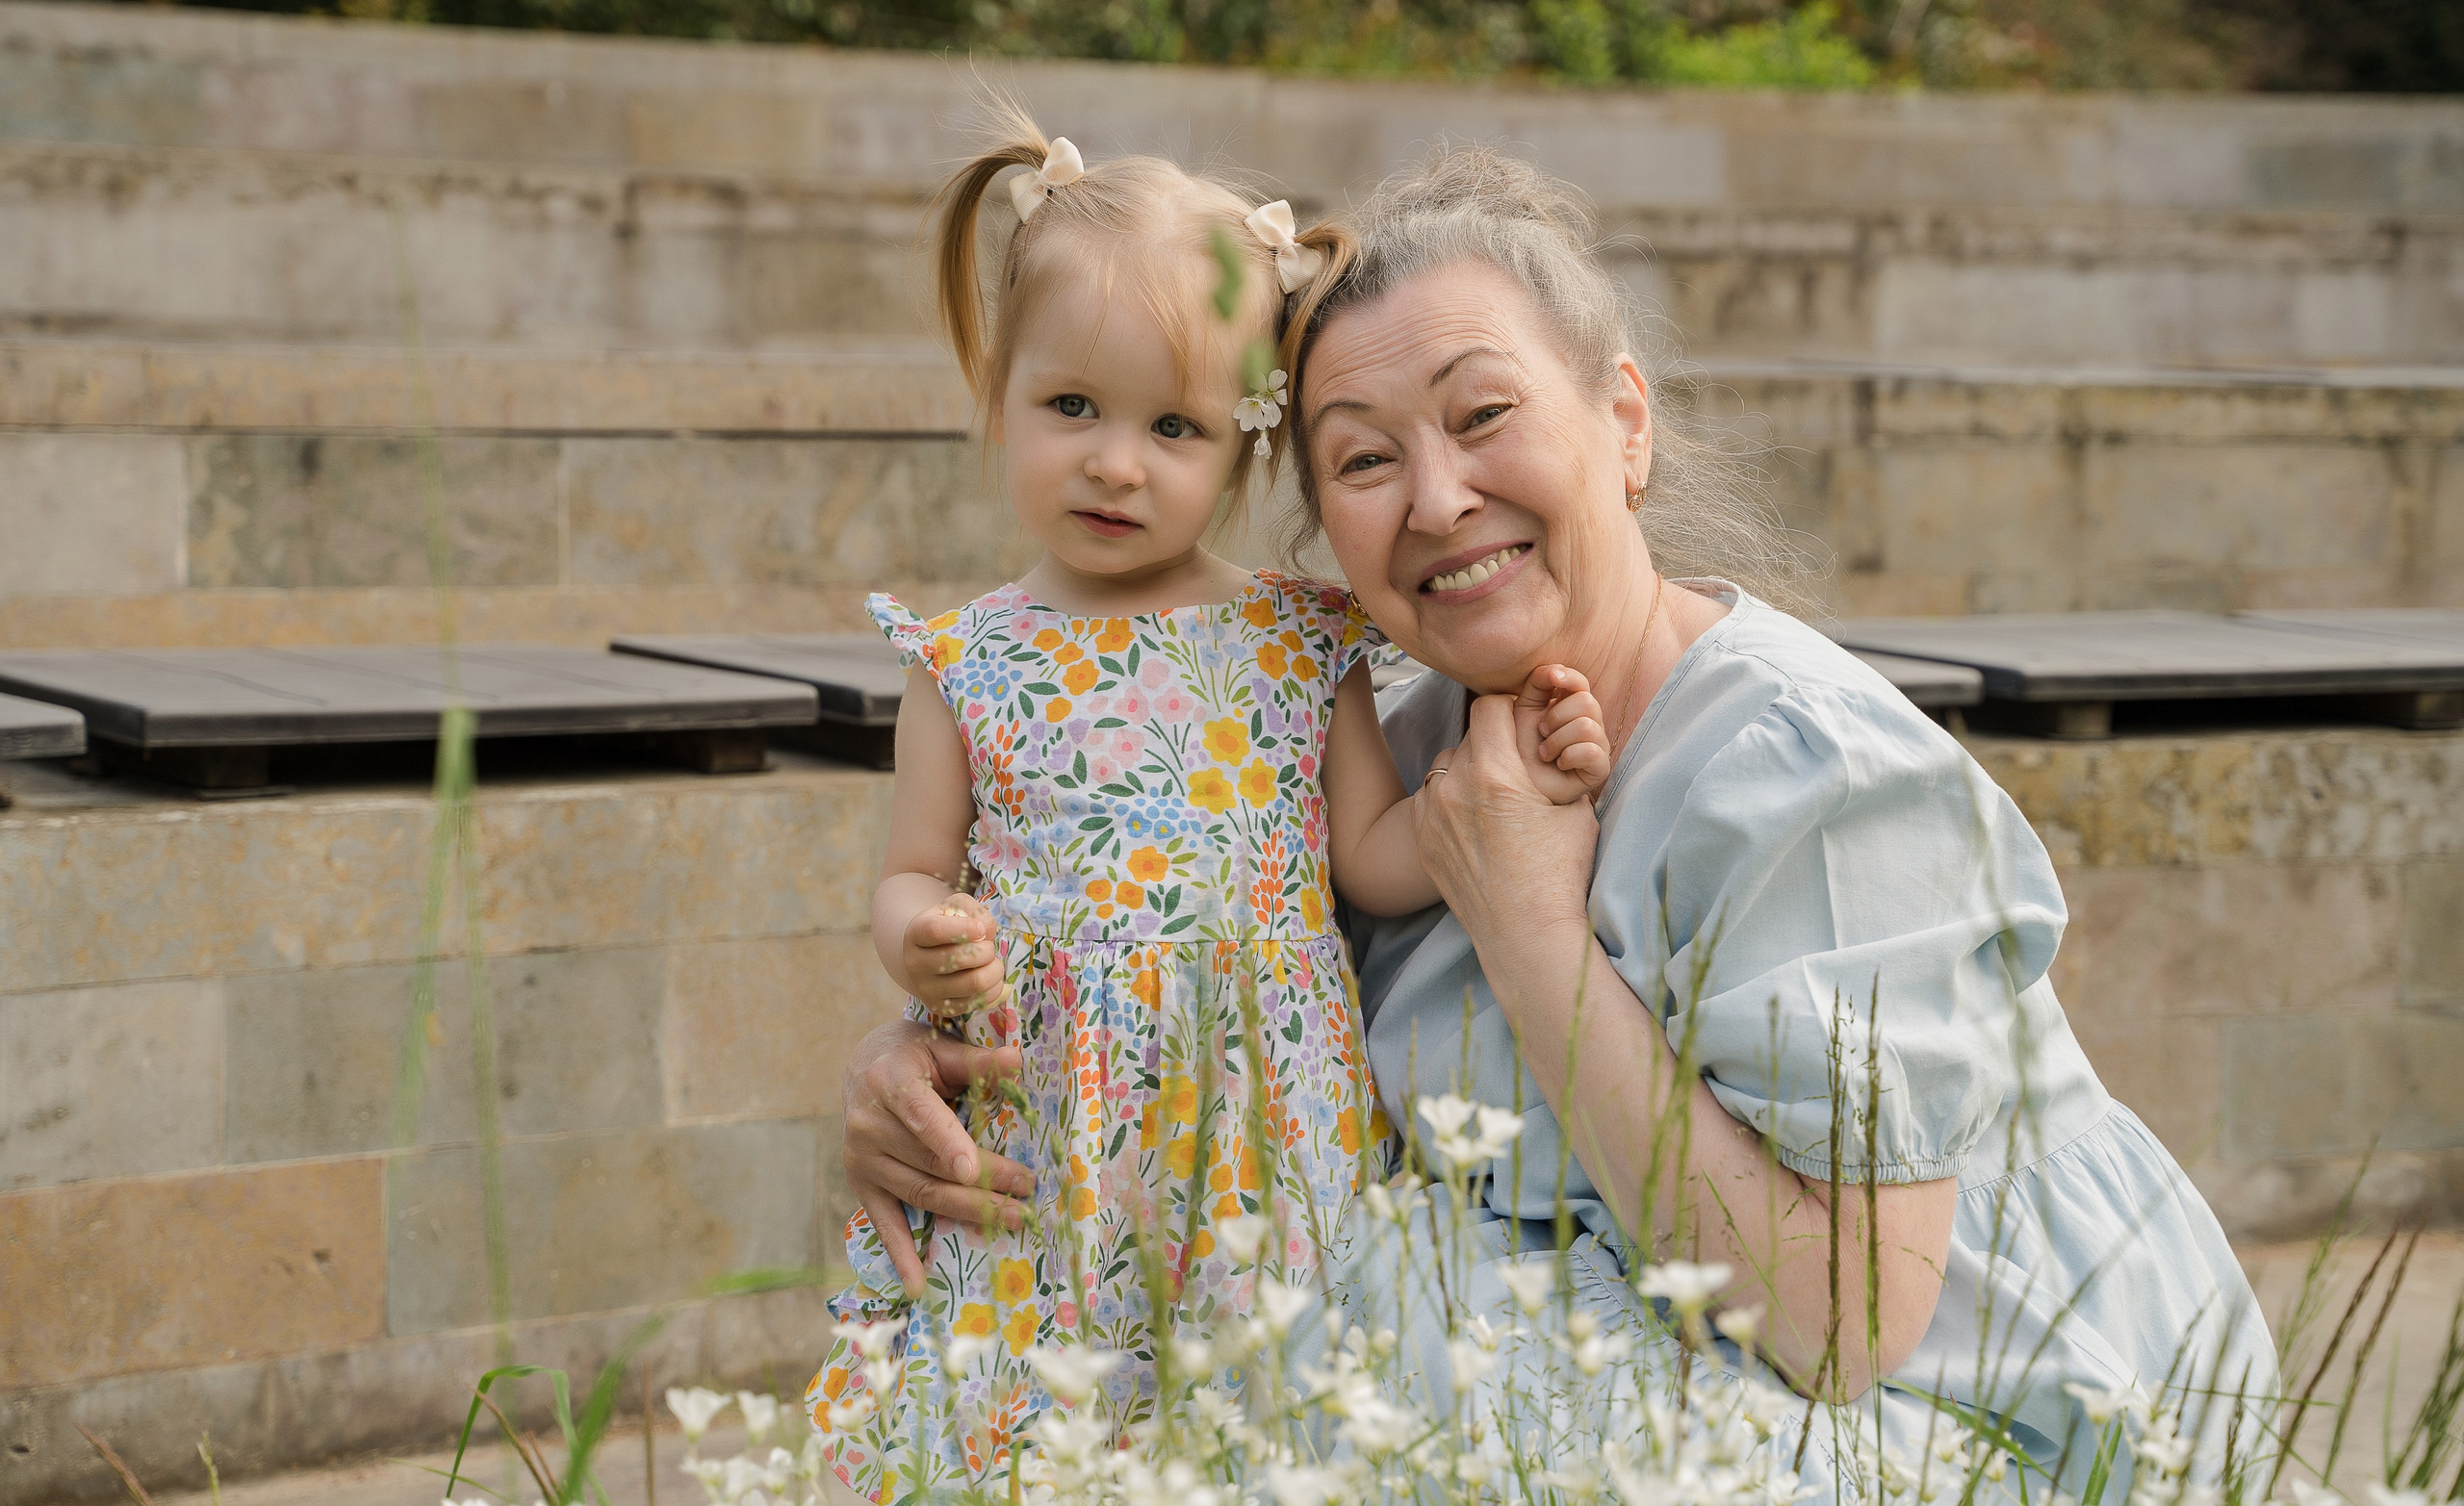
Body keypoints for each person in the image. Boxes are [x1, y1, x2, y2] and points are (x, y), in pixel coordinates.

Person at [833, 144, 2277, 1500]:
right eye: (1363, 459)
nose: (1438, 498)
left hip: (1962, 1416)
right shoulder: (1395, 750)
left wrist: (1529, 921)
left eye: (1483, 416)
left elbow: (1839, 1324)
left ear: (1624, 424)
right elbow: (1181, 983)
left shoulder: (1808, 771)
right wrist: (929, 1063)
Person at [801, 119, 1610, 1501]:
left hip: (1264, 1131)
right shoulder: (964, 661)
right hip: (1051, 1125)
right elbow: (911, 872)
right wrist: (922, 936)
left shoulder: (1295, 642)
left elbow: (1372, 858)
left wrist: (1511, 768)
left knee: (1254, 1432)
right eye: (1073, 408)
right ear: (999, 392)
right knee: (1032, 1436)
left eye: (1173, 427)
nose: (1117, 465)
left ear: (1247, 444)